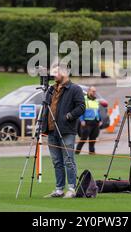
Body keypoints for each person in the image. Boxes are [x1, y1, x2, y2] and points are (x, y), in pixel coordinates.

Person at [42, 64, 85, 198]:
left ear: (64, 73)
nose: (53, 75)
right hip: (51, 129)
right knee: (57, 161)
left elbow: (81, 107)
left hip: (66, 129)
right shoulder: (51, 89)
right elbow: (46, 107)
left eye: (56, 72)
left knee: (68, 159)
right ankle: (59, 188)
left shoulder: (75, 89)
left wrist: (69, 116)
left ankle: (71, 188)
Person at [76, 86, 102, 155]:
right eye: (93, 91)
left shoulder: (96, 100)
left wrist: (100, 120)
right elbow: (81, 111)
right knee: (83, 138)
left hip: (95, 122)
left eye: (95, 91)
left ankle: (92, 152)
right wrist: (82, 120)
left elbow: (98, 111)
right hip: (87, 122)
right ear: (89, 91)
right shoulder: (84, 99)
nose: (94, 93)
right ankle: (77, 152)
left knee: (93, 138)